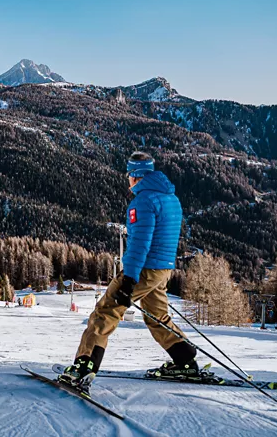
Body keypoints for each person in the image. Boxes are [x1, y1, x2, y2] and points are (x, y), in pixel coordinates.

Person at [60, 152, 196, 389]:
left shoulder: (142, 201)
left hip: (143, 269)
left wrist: (128, 279)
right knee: (158, 316)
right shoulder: (170, 197)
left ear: (134, 176)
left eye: (129, 175)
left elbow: (139, 243)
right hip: (163, 269)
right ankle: (185, 360)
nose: (128, 181)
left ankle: (84, 366)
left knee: (106, 311)